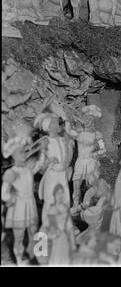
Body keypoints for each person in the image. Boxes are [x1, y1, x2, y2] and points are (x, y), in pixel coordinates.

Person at [2, 136, 45, 264]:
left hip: (30, 205)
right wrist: (12, 198)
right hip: (19, 207)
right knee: (19, 236)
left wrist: (42, 150)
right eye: (21, 152)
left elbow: (39, 164)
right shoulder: (11, 173)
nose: (24, 154)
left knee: (34, 231)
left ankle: (37, 257)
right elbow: (3, 193)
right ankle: (20, 260)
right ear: (13, 155)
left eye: (25, 151)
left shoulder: (28, 170)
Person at [65, 104, 106, 214]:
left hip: (91, 162)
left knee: (92, 185)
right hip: (80, 162)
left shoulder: (97, 134)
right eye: (87, 119)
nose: (89, 122)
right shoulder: (79, 134)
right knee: (76, 186)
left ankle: (91, 204)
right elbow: (68, 130)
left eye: (91, 120)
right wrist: (67, 118)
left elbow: (103, 150)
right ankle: (75, 206)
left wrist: (96, 154)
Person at [34, 113, 72, 223]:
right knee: (50, 199)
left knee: (64, 199)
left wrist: (68, 152)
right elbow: (40, 166)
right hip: (51, 175)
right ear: (49, 127)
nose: (58, 125)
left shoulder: (62, 140)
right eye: (55, 123)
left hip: (62, 175)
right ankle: (47, 226)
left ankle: (64, 225)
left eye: (57, 122)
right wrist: (49, 161)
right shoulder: (45, 142)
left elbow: (67, 159)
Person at [41, 184, 76, 264]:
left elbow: (69, 227)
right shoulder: (51, 209)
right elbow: (45, 226)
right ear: (54, 195)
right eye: (58, 193)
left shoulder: (65, 209)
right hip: (53, 239)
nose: (60, 195)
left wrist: (73, 243)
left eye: (61, 193)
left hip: (63, 238)